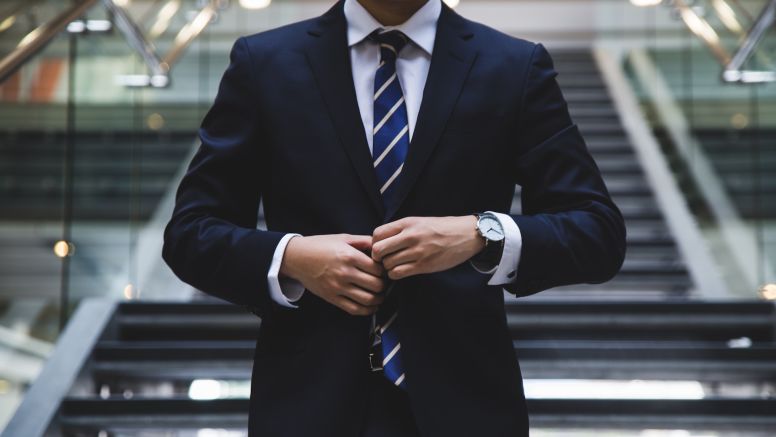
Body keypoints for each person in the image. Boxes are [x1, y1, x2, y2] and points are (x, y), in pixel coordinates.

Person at [162, 0, 626, 435]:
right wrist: (291, 257)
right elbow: (191, 232)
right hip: (306, 404)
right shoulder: (263, 63)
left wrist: (481, 233)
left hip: (467, 406)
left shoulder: (514, 66)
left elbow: (597, 230)